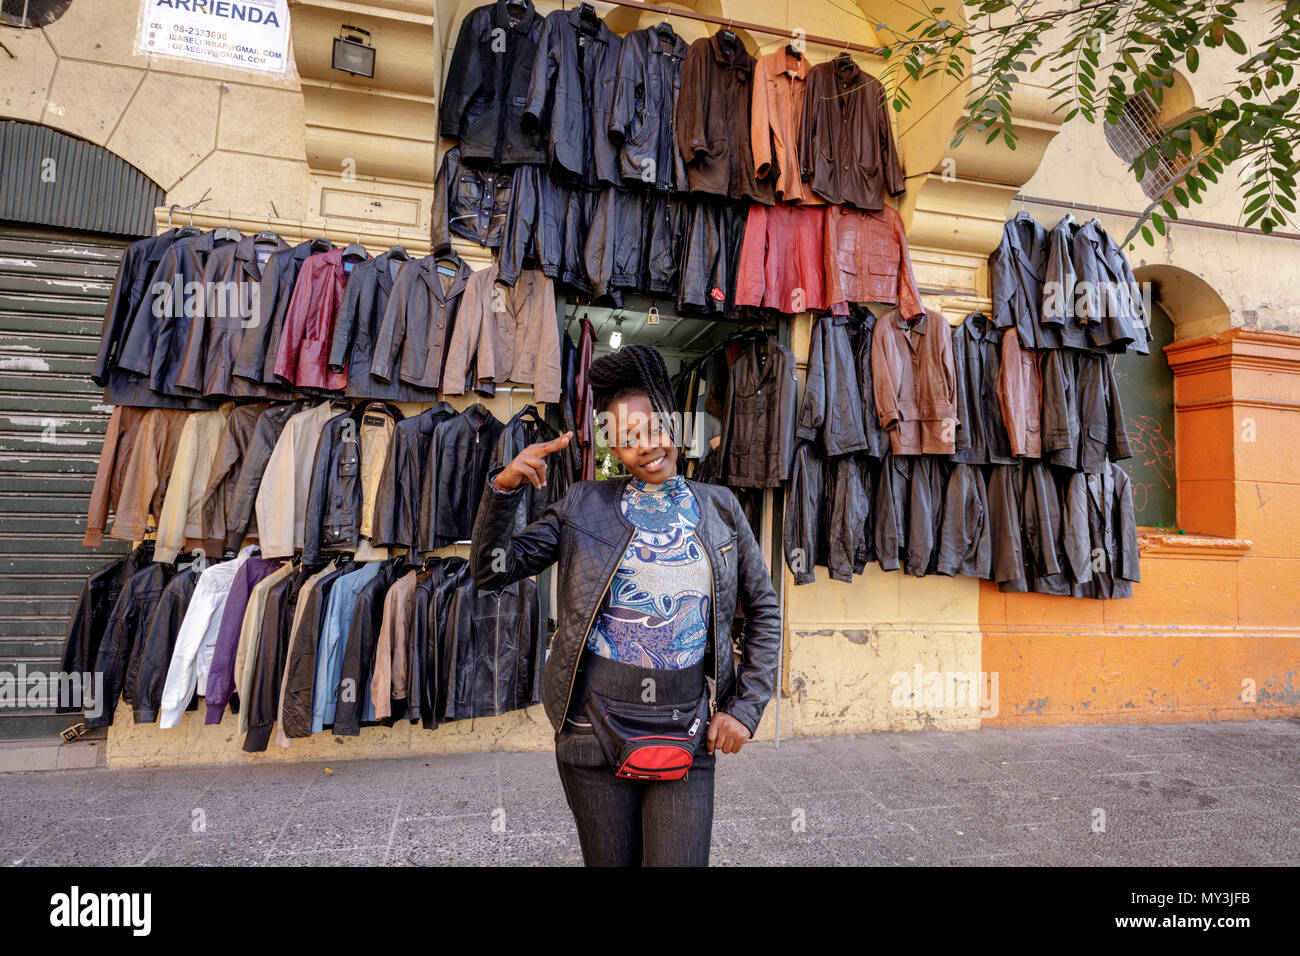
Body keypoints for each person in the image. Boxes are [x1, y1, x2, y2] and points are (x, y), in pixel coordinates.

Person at [469, 344, 781, 866]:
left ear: (674, 426)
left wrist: (745, 710)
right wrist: (503, 490)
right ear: (614, 448)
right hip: (594, 730)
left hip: (687, 726)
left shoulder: (720, 508)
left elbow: (764, 609)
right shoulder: (582, 504)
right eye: (628, 438)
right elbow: (492, 569)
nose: (647, 446)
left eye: (655, 427)